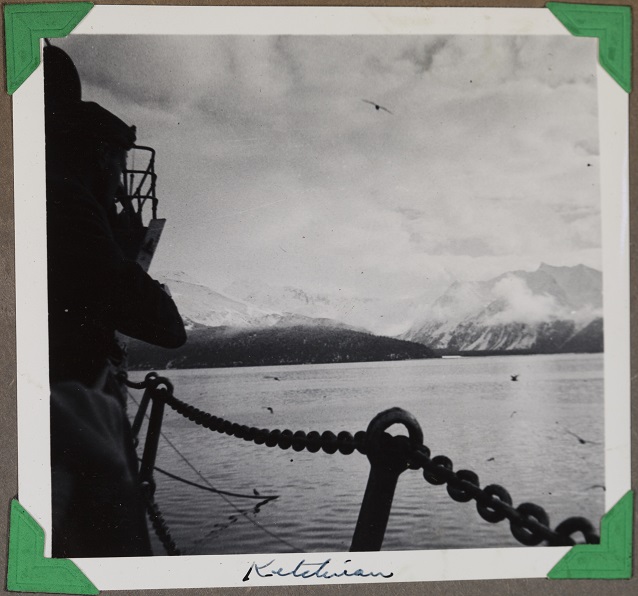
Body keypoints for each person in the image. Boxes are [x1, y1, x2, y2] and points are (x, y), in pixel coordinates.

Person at [44, 45, 187, 557]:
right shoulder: (67, 204)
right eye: (118, 160)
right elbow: (168, 328)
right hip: (72, 442)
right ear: (95, 154)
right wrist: (125, 252)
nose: (122, 178)